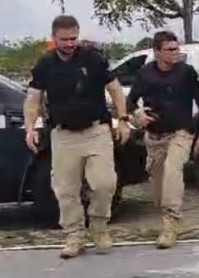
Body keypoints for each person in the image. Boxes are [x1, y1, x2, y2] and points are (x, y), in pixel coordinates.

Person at [23, 15, 130, 259]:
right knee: (65, 190)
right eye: (65, 39)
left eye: (74, 38)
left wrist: (122, 119)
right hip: (63, 135)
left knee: (104, 184)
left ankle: (99, 227)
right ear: (54, 39)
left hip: (96, 131)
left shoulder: (92, 59)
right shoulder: (46, 64)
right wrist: (30, 127)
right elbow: (33, 98)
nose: (70, 43)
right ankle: (74, 235)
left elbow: (114, 88)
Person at [127, 30, 199, 249]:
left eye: (177, 48)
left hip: (181, 133)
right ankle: (168, 218)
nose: (176, 53)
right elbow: (130, 102)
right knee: (159, 185)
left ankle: (170, 226)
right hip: (154, 136)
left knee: (173, 173)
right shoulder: (145, 73)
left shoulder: (186, 73)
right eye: (170, 49)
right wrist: (137, 115)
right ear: (157, 52)